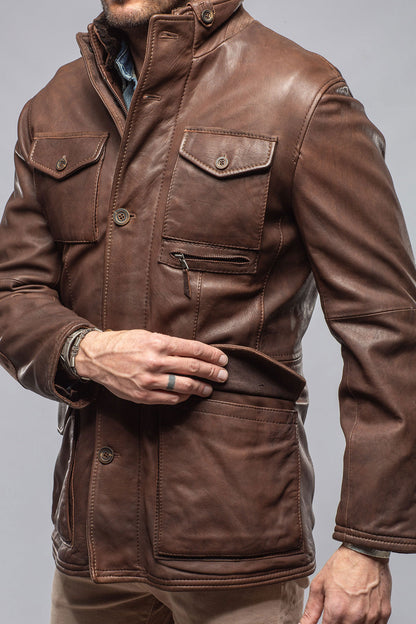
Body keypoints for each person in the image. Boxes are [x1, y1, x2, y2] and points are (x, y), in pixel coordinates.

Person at [0, 0, 414, 622]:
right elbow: (13, 291)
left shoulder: (302, 95)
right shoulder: (54, 105)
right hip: (91, 549)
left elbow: (385, 325)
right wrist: (85, 350)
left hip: (237, 549)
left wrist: (369, 542)